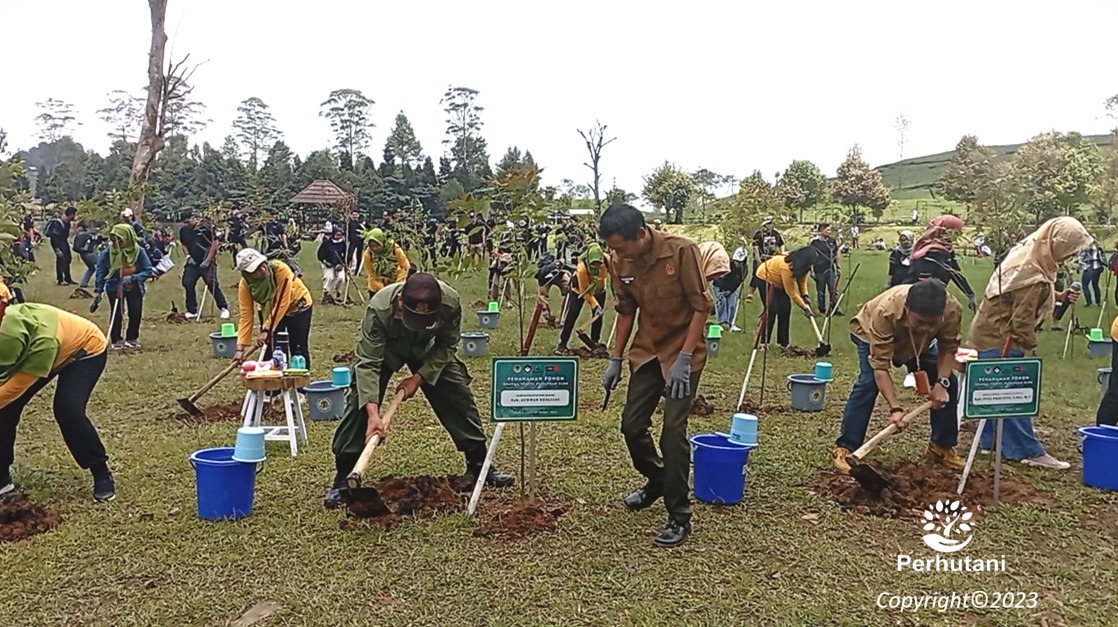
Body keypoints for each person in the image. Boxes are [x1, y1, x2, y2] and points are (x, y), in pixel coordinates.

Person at [323, 273, 514, 507]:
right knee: (359, 402)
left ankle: (479, 464)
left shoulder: (449, 301)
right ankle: (343, 477)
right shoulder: (379, 309)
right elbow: (368, 363)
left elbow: (447, 345)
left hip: (428, 349)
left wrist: (419, 377)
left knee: (457, 394)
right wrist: (373, 415)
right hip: (386, 351)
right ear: (401, 302)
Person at [599, 204, 712, 548]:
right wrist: (616, 358)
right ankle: (659, 478)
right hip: (647, 351)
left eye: (621, 246)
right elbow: (626, 311)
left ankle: (679, 516)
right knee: (632, 426)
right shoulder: (619, 262)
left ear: (641, 234)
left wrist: (684, 356)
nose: (617, 254)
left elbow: (701, 307)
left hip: (683, 354)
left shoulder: (681, 252)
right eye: (613, 248)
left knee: (672, 432)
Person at [970, 217, 1091, 469]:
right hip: (1001, 337)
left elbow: (1022, 293)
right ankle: (1027, 449)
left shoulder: (1028, 255)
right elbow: (1021, 319)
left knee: (993, 388)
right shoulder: (1033, 274)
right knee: (1013, 391)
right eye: (1068, 251)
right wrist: (1029, 345)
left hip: (988, 331)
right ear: (1055, 244)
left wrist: (1059, 296)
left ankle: (990, 442)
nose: (1069, 257)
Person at [832, 279, 966, 473]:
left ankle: (941, 446)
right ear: (907, 309)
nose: (927, 328)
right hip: (869, 332)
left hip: (920, 344)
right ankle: (847, 447)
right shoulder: (885, 312)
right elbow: (880, 368)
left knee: (950, 382)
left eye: (933, 324)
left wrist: (941, 384)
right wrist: (895, 408)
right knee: (868, 383)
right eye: (920, 321)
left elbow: (948, 348)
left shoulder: (951, 309)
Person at [0, 301, 115, 502]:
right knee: (6, 411)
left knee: (68, 409)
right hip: (35, 349)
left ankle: (100, 472)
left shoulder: (43, 344)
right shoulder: (6, 321)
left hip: (84, 349)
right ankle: (2, 480)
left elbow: (11, 390)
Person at [233, 248, 314, 368]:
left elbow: (282, 302)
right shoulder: (245, 285)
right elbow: (246, 316)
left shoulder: (280, 269)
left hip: (298, 307)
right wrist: (240, 349)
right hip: (270, 312)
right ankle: (275, 384)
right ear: (247, 274)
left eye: (262, 264)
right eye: (256, 269)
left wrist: (266, 330)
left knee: (298, 349)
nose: (263, 269)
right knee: (273, 351)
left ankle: (301, 385)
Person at [91, 224, 154, 350]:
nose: (116, 242)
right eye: (114, 239)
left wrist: (133, 278)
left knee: (135, 312)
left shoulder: (139, 252)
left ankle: (132, 338)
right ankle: (116, 339)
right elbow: (101, 271)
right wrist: (98, 291)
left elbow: (148, 270)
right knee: (117, 313)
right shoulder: (108, 252)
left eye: (119, 239)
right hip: (114, 286)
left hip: (134, 287)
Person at [907, 214, 977, 312]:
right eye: (957, 231)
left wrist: (970, 294)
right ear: (946, 231)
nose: (960, 234)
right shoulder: (928, 252)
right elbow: (925, 282)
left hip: (935, 295)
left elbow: (954, 273)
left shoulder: (946, 250)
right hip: (921, 297)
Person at [754, 246, 819, 348]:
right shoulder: (786, 265)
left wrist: (805, 295)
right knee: (772, 309)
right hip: (765, 278)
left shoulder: (802, 267)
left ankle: (783, 343)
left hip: (779, 282)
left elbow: (801, 280)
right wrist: (804, 307)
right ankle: (763, 342)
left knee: (785, 309)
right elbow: (791, 292)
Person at [556, 243, 609, 353]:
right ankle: (563, 343)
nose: (596, 266)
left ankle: (595, 342)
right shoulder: (582, 268)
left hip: (599, 289)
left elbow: (616, 273)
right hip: (580, 290)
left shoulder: (607, 261)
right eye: (593, 264)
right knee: (573, 313)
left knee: (598, 316)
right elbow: (585, 291)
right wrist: (595, 305)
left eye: (598, 263)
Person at [179, 213, 230, 320]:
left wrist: (208, 260)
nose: (187, 224)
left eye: (189, 221)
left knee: (212, 283)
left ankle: (223, 308)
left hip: (207, 261)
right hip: (193, 262)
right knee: (187, 282)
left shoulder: (206, 228)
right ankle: (192, 310)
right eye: (185, 222)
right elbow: (184, 244)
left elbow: (214, 243)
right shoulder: (184, 231)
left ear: (195, 218)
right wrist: (188, 256)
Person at [362, 228, 410, 299]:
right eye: (372, 246)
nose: (375, 249)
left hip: (394, 283)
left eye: (377, 246)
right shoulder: (368, 254)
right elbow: (371, 274)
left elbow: (405, 266)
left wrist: (398, 283)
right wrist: (380, 287)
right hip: (377, 287)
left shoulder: (395, 249)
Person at [750, 217, 785, 302]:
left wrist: (782, 253)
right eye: (768, 224)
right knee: (756, 274)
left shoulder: (776, 234)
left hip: (772, 259)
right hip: (762, 257)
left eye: (771, 223)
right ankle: (750, 293)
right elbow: (755, 246)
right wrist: (758, 259)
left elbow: (781, 244)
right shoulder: (759, 234)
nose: (770, 225)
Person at [713, 245, 747, 331]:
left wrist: (731, 291)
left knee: (732, 303)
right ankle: (721, 322)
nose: (738, 264)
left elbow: (738, 282)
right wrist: (723, 290)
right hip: (719, 287)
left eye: (740, 262)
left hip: (732, 288)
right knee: (722, 302)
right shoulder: (727, 265)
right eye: (736, 261)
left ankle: (731, 322)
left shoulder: (744, 270)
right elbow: (719, 278)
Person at [811, 223, 842, 316]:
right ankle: (822, 309)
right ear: (821, 231)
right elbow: (811, 256)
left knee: (833, 289)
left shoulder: (832, 241)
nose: (829, 232)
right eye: (827, 230)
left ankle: (835, 308)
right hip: (819, 270)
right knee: (821, 291)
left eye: (830, 230)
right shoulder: (815, 243)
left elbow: (836, 253)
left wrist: (838, 266)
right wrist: (811, 270)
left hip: (831, 269)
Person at [44, 206, 76, 286]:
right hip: (57, 242)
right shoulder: (57, 223)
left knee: (68, 259)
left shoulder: (67, 222)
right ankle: (60, 279)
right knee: (61, 259)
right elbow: (54, 236)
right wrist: (57, 249)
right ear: (71, 214)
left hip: (64, 241)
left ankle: (68, 278)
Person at [316, 228, 348, 303]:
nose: (338, 236)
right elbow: (320, 254)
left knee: (341, 278)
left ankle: (337, 293)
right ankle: (325, 293)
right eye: (337, 235)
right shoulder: (327, 243)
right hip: (328, 263)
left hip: (339, 264)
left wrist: (341, 264)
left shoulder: (343, 244)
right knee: (329, 277)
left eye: (340, 235)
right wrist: (325, 262)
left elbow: (345, 256)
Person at [73, 222, 102, 289]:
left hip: (83, 255)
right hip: (89, 253)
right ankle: (100, 283)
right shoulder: (86, 234)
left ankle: (84, 283)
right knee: (101, 266)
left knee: (91, 268)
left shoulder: (79, 235)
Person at [1080, 241, 1105, 307]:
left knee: (1085, 285)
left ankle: (1089, 302)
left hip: (1089, 268)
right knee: (1095, 285)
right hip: (1098, 268)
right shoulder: (1098, 248)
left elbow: (1081, 258)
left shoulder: (1086, 249)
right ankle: (1098, 302)